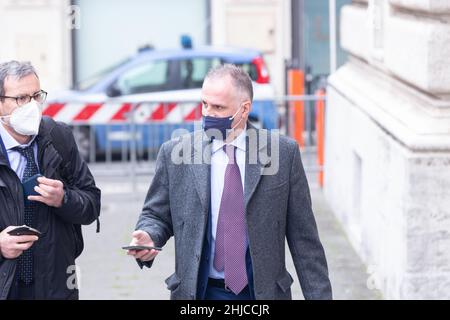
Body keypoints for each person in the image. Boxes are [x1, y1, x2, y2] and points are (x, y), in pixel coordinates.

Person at [127, 64, 332, 300]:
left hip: (260, 294)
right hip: (200, 293)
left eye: (218, 107)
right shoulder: (176, 154)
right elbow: (156, 214)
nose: (208, 113)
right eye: (204, 104)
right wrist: (148, 235)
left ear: (244, 110)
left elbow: (305, 242)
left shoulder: (283, 155)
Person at [0, 61, 101, 300]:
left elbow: (91, 204)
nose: (32, 106)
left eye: (37, 96)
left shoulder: (58, 137)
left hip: (55, 283)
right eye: (21, 98)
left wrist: (63, 199)